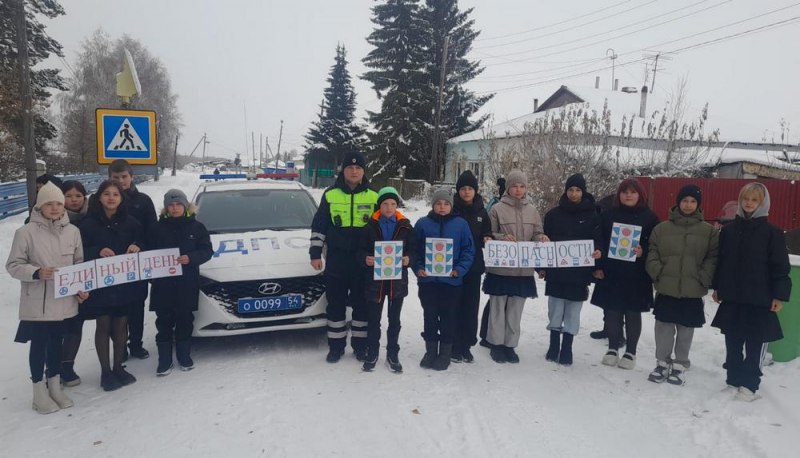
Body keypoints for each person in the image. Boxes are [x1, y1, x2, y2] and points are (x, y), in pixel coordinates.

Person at [6, 182, 88, 413]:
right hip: (39, 302)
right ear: (40, 206)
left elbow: (79, 263)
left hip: (64, 301)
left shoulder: (73, 231)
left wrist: (81, 287)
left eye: (58, 204)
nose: (54, 208)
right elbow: (13, 265)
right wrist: (36, 272)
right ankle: (38, 392)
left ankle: (54, 385)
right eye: (49, 203)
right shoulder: (26, 233)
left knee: (56, 344)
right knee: (39, 345)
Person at [711, 183, 790, 401]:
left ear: (763, 203)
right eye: (745, 198)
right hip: (733, 296)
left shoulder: (772, 233)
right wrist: (718, 287)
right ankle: (733, 378)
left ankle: (750, 383)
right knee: (733, 340)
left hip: (760, 299)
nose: (748, 203)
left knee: (755, 342)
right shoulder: (728, 231)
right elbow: (722, 262)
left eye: (754, 200)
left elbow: (780, 266)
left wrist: (779, 295)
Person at [645, 185, 719, 385]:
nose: (688, 205)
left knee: (686, 330)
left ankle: (680, 364)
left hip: (692, 290)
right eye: (685, 201)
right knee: (664, 329)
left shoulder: (709, 232)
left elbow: (713, 257)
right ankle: (662, 362)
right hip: (666, 288)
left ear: (698, 204)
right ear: (678, 202)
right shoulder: (661, 229)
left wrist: (703, 277)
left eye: (693, 201)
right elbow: (652, 252)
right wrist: (657, 271)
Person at [309, 151, 378, 363]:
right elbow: (319, 226)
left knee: (361, 304)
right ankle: (336, 347)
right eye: (350, 167)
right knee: (336, 304)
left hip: (363, 261)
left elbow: (383, 228)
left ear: (363, 171)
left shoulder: (374, 196)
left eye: (358, 168)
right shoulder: (330, 194)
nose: (354, 171)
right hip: (337, 260)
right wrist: (315, 253)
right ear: (343, 170)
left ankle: (360, 346)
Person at [79, 180, 144, 391]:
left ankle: (118, 367)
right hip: (100, 284)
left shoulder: (131, 222)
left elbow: (145, 241)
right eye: (107, 194)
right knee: (103, 325)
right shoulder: (87, 224)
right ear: (99, 197)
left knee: (120, 325)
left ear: (121, 198)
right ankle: (105, 372)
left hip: (124, 283)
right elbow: (77, 251)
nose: (111, 198)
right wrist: (96, 251)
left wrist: (138, 245)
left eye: (115, 194)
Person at [591, 178, 659, 370]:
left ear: (640, 195)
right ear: (619, 194)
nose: (628, 195)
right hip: (612, 271)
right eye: (624, 192)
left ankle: (631, 352)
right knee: (612, 310)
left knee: (632, 312)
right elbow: (600, 240)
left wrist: (642, 251)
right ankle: (612, 348)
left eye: (633, 192)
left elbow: (655, 244)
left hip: (636, 274)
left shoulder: (650, 218)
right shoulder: (608, 215)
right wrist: (598, 264)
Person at [484, 170, 548, 364]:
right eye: (514, 186)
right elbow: (489, 234)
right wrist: (502, 237)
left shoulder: (533, 210)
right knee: (497, 308)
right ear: (508, 188)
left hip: (523, 270)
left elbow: (537, 233)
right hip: (501, 269)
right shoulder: (497, 209)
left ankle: (510, 345)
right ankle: (496, 344)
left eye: (522, 186)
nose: (518, 190)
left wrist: (541, 238)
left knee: (515, 310)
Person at [148, 189, 213, 376]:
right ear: (166, 208)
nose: (175, 208)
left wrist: (191, 258)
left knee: (185, 319)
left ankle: (184, 356)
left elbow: (207, 251)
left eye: (178, 204)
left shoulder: (197, 227)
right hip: (163, 284)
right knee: (164, 321)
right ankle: (164, 360)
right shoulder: (156, 228)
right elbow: (147, 252)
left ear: (186, 206)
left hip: (187, 282)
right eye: (171, 205)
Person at [542, 173, 602, 366]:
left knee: (573, 312)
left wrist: (597, 260)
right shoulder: (553, 215)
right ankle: (553, 344)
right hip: (557, 273)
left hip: (579, 274)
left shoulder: (593, 216)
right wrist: (541, 267)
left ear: (583, 192)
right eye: (570, 189)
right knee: (555, 309)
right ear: (565, 190)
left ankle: (567, 347)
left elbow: (598, 243)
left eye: (577, 190)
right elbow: (545, 243)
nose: (574, 193)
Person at [414, 188, 475, 371]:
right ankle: (430, 351)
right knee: (430, 316)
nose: (442, 207)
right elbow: (414, 249)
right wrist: (418, 268)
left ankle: (445, 354)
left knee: (448, 318)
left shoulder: (461, 224)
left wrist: (459, 270)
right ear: (433, 205)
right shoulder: (423, 224)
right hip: (428, 282)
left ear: (451, 205)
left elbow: (468, 250)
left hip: (451, 282)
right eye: (438, 203)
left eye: (446, 204)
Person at [359, 187, 415, 372]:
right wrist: (365, 258)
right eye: (385, 204)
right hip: (375, 281)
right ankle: (373, 351)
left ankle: (392, 352)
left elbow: (414, 249)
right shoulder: (369, 226)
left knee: (395, 319)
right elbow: (360, 250)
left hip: (397, 282)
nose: (389, 207)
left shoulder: (405, 226)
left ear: (397, 205)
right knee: (374, 318)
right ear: (379, 205)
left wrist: (409, 259)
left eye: (393, 204)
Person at [107, 159, 157, 361]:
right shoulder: (103, 199)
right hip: (110, 265)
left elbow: (152, 231)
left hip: (136, 263)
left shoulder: (143, 201)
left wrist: (141, 245)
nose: (120, 181)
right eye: (115, 177)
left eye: (124, 177)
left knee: (136, 306)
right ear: (109, 178)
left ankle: (135, 344)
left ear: (132, 176)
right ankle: (120, 348)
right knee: (116, 309)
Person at [452, 170, 492, 363]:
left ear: (475, 191)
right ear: (458, 190)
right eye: (463, 188)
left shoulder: (482, 212)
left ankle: (466, 345)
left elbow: (487, 234)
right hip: (452, 268)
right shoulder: (450, 209)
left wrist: (488, 239)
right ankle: (452, 344)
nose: (466, 192)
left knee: (470, 307)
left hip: (474, 268)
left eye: (470, 188)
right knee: (454, 306)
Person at [59, 180, 90, 386]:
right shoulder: (51, 217)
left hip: (81, 280)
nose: (74, 200)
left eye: (78, 196)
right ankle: (51, 367)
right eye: (69, 196)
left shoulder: (91, 218)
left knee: (75, 325)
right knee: (53, 329)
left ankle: (67, 367)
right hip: (54, 280)